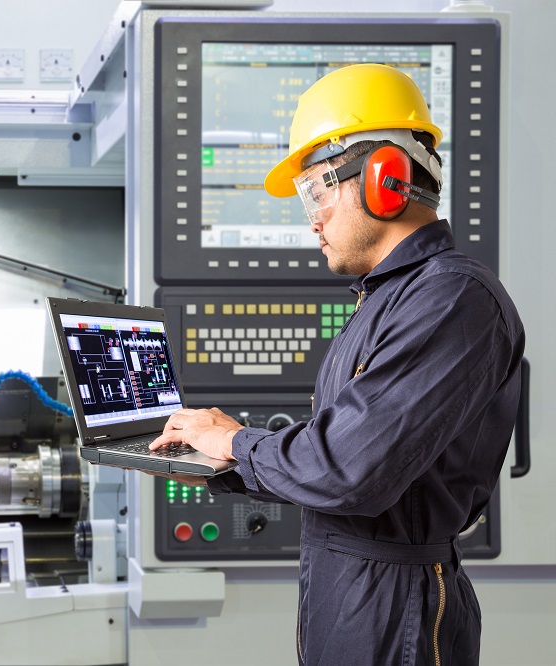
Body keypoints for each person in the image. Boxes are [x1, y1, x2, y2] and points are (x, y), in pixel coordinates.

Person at [149, 63, 525, 665]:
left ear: (385, 177)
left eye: (317, 190)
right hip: (348, 593)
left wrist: (237, 442)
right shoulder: (388, 299)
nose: (312, 217)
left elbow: (348, 469)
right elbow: (335, 455)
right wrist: (214, 461)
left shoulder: (452, 299)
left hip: (393, 610)